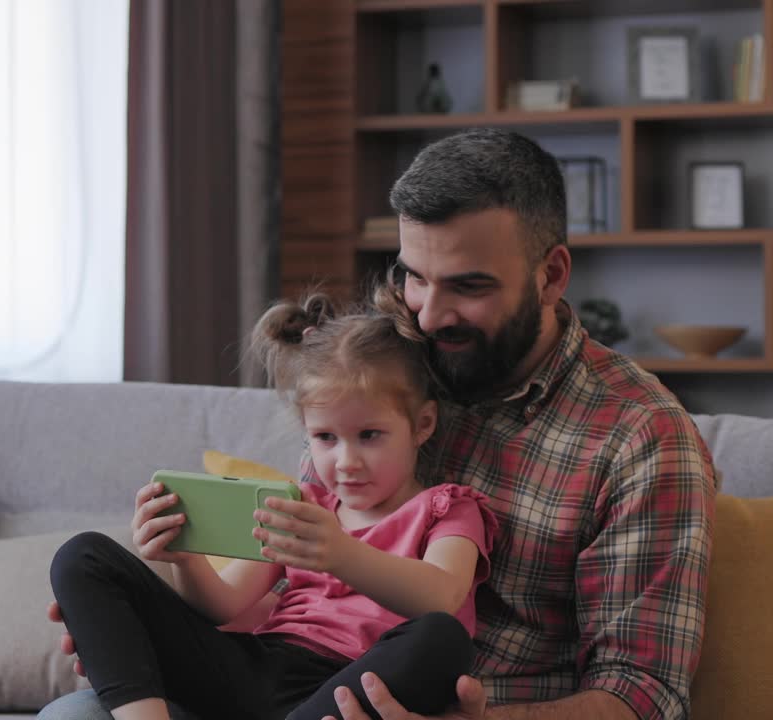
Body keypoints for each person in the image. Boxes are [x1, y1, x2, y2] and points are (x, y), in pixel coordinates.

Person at [42, 127, 717, 720]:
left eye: (468, 286)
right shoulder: (390, 364)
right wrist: (136, 628)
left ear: (552, 274)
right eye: (413, 277)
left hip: (453, 698)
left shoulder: (640, 437)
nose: (427, 314)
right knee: (74, 709)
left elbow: (643, 695)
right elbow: (272, 591)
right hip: (275, 681)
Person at [46, 289, 497, 720]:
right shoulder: (299, 506)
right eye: (325, 438)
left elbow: (440, 596)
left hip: (346, 690)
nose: (346, 462)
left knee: (443, 638)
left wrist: (342, 555)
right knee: (82, 557)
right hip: (257, 667)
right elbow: (222, 606)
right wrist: (185, 559)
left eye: (369, 435)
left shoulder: (448, 508)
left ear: (422, 424)